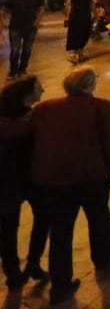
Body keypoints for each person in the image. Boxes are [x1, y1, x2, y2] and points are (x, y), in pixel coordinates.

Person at [30, 68, 110, 305]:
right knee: (99, 216)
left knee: (60, 232)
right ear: (90, 85)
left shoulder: (44, 109)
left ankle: (60, 285)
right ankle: (103, 257)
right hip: (91, 175)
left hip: (55, 179)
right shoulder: (102, 107)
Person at [0, 75, 48, 291]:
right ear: (27, 94)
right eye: (39, 88)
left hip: (8, 181)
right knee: (43, 216)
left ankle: (13, 272)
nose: (44, 90)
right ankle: (33, 262)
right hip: (28, 178)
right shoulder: (31, 120)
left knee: (8, 228)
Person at [6, 0, 42, 76]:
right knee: (15, 50)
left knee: (27, 50)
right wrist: (4, 22)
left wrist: (37, 21)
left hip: (30, 27)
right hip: (15, 27)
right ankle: (13, 70)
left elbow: (41, 8)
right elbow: (4, 10)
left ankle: (22, 69)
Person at [63, 0, 93, 65]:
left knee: (73, 34)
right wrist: (95, 14)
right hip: (85, 16)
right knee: (83, 34)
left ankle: (73, 54)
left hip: (74, 16)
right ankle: (80, 54)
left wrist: (67, 16)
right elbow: (92, 5)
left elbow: (68, 5)